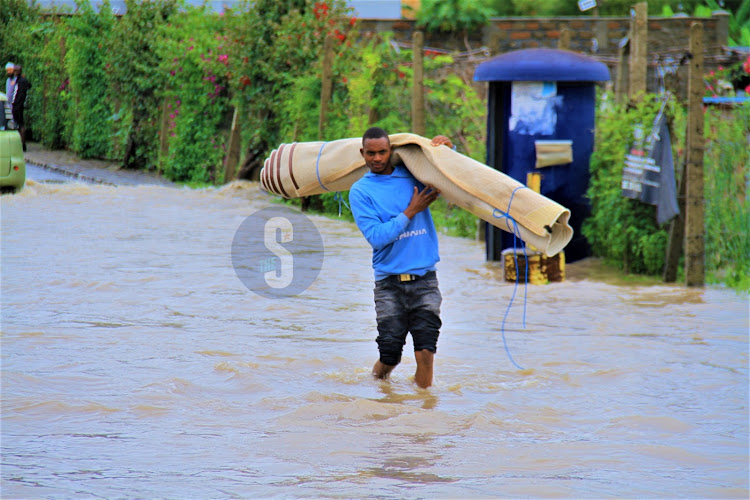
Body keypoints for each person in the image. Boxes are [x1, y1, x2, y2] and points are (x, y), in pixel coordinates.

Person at [349, 127, 453, 389]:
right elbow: (376, 236)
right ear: (363, 153)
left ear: (391, 151)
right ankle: (376, 389)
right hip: (389, 285)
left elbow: (451, 176)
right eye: (370, 153)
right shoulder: (361, 191)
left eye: (382, 152)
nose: (377, 158)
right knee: (390, 356)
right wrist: (411, 210)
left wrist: (447, 149)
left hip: (425, 280)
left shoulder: (413, 175)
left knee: (426, 353)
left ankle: (423, 414)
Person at [11, 65, 31, 151]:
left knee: (19, 125)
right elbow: (29, 86)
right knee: (20, 124)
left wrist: (15, 105)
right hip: (20, 105)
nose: (14, 72)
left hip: (18, 106)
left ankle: (21, 144)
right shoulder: (23, 80)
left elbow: (19, 95)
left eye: (15, 71)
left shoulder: (20, 81)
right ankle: (22, 144)